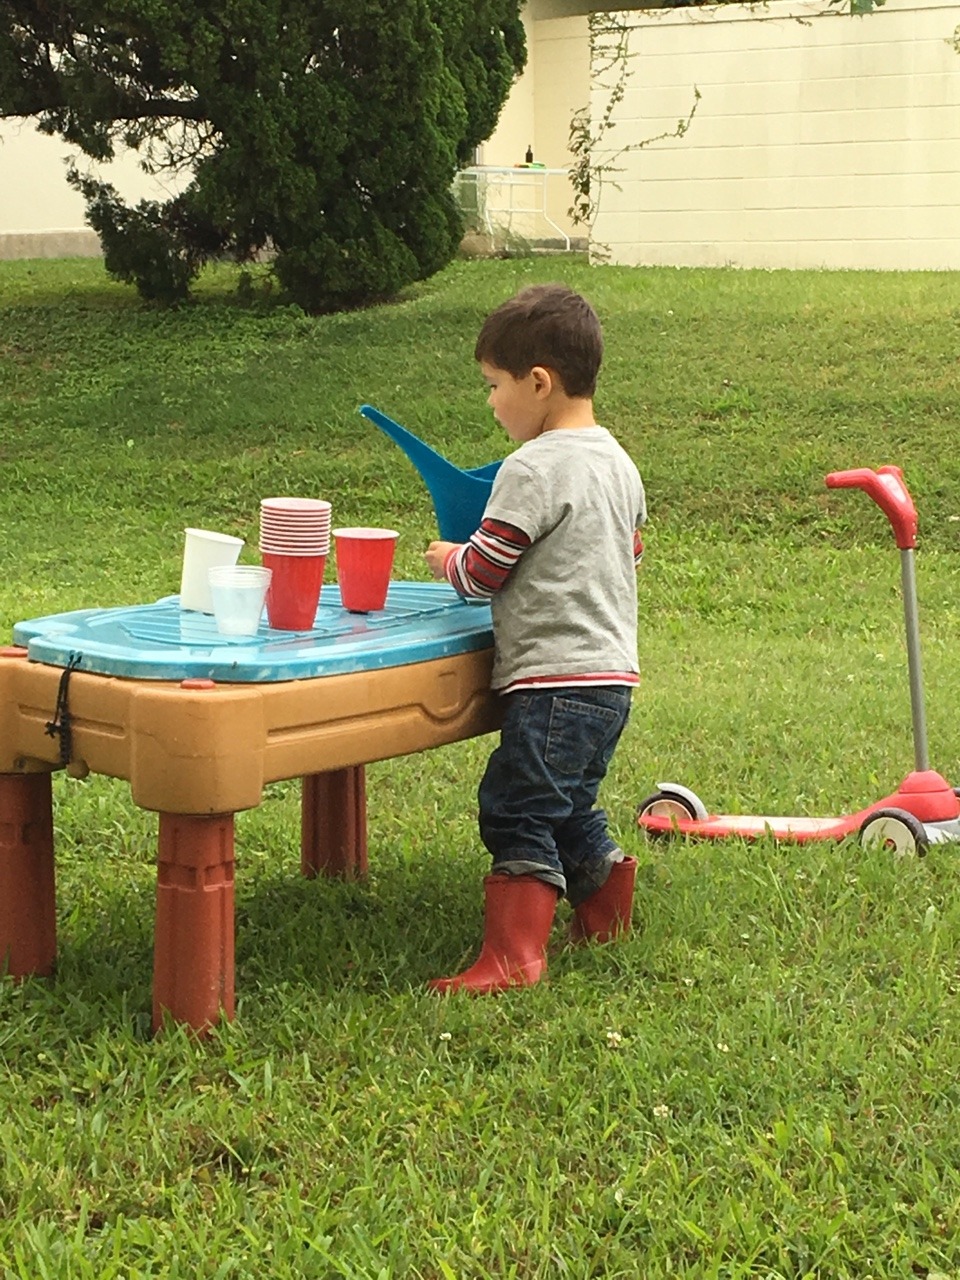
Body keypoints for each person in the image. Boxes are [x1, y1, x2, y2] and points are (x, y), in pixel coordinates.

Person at [423, 283, 646, 994]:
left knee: (517, 806)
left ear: (539, 383)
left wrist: (448, 558)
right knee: (568, 803)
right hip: (610, 679)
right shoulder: (618, 461)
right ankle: (605, 916)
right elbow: (628, 554)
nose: (491, 403)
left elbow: (484, 572)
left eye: (495, 385)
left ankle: (514, 958)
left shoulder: (531, 468)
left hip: (553, 680)